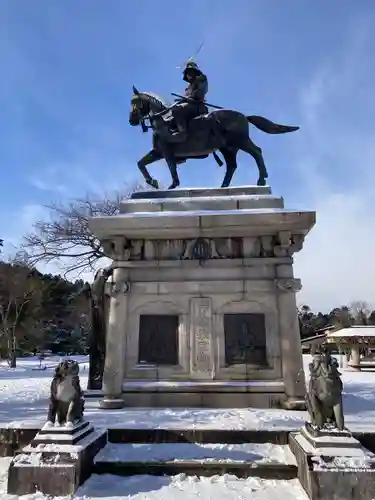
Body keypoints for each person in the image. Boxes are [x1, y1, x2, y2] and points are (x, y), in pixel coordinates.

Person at [171, 60, 208, 139]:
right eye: (187, 74)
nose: (188, 75)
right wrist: (181, 100)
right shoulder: (188, 88)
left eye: (189, 72)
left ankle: (182, 132)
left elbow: (200, 92)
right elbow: (187, 98)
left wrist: (190, 98)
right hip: (190, 105)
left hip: (197, 106)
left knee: (177, 109)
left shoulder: (201, 79)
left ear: (194, 72)